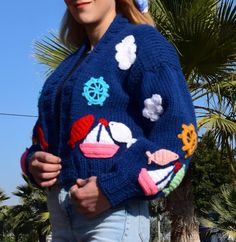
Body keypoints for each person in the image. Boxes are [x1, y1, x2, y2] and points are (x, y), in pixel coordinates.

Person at [20, 0, 198, 241]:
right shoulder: (68, 66)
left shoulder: (144, 44)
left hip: (113, 217)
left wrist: (112, 189)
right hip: (60, 218)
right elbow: (43, 138)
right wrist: (34, 162)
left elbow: (180, 137)